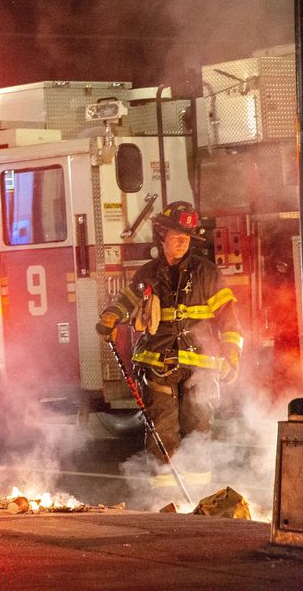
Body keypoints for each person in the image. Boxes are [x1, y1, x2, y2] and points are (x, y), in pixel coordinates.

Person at [97, 200, 244, 486]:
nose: (182, 242)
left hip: (201, 368)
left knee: (199, 433)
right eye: (176, 235)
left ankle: (199, 498)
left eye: (186, 237)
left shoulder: (207, 274)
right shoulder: (147, 274)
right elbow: (125, 303)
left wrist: (232, 354)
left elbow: (230, 320)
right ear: (161, 235)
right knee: (162, 434)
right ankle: (165, 503)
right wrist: (111, 318)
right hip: (159, 366)